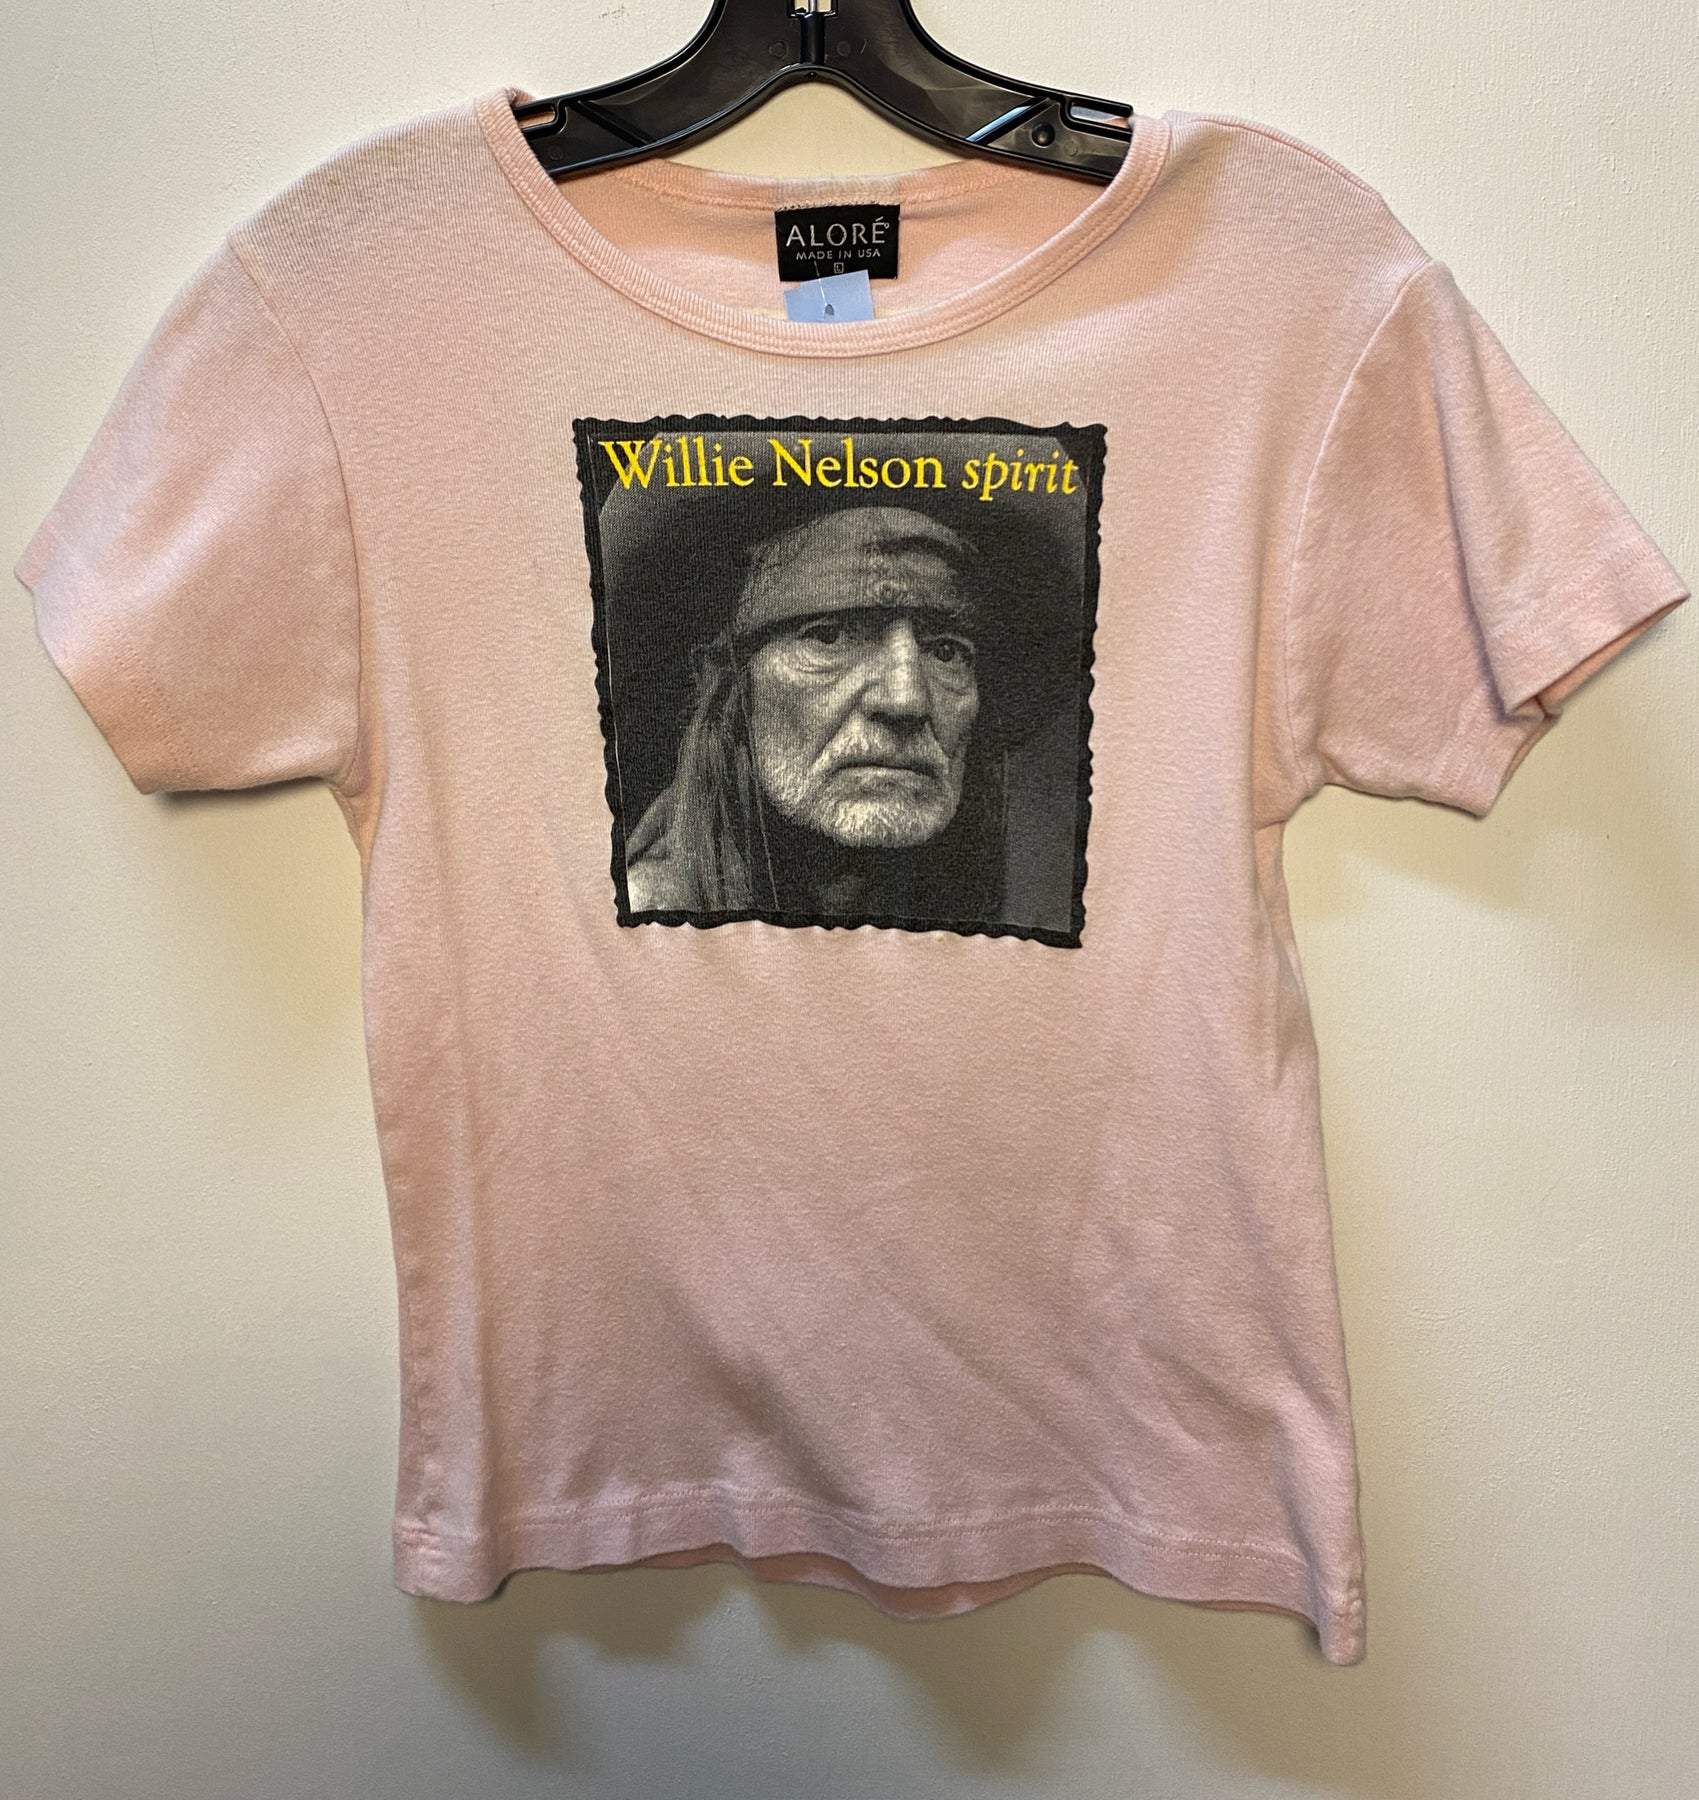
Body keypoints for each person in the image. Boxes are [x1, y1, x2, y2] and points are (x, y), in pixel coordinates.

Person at [623, 505, 1011, 922]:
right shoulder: (654, 919)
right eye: (829, 636)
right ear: (734, 690)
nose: (906, 701)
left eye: (946, 652)